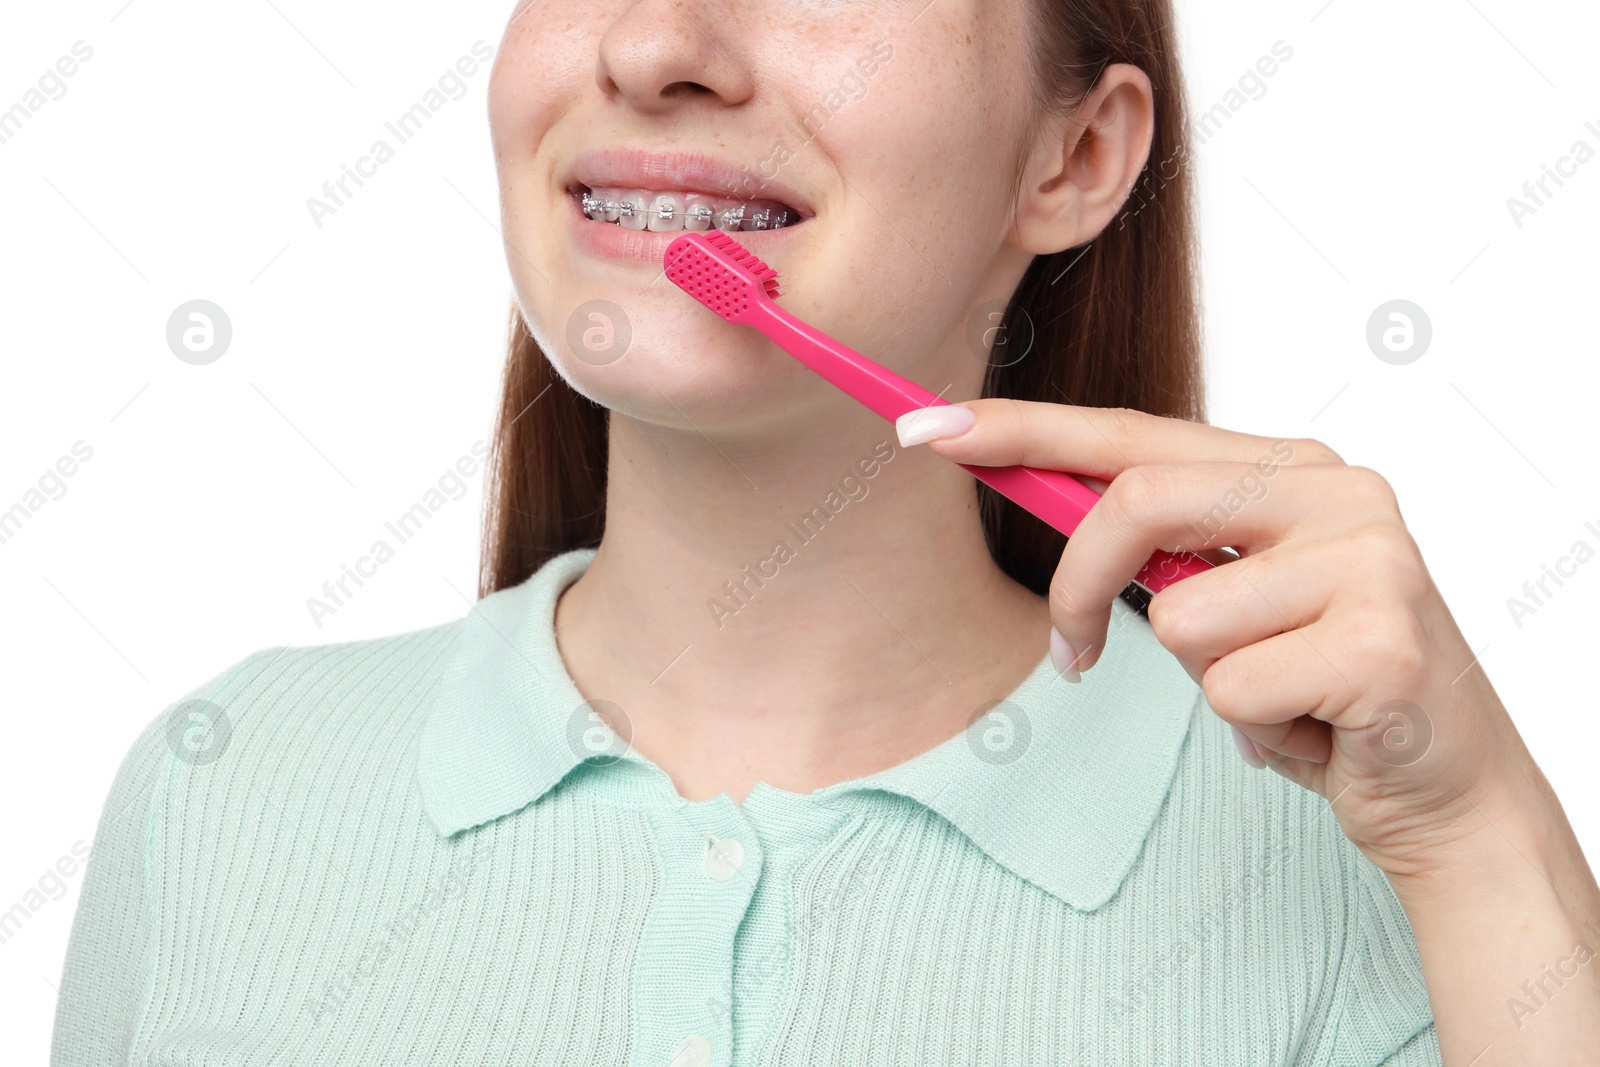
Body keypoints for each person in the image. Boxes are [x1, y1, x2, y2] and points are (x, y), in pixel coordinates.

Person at [52, 0, 1600, 1063]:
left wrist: (1485, 855)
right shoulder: (221, 786)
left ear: (1075, 158)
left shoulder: (1353, 868)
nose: (657, 44)